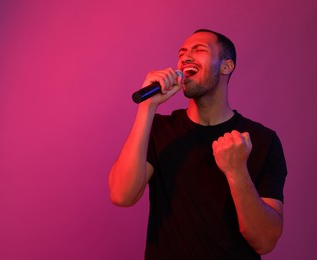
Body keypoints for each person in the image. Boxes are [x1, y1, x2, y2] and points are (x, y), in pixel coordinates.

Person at [109, 29, 287, 259]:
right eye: (181, 53)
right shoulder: (160, 130)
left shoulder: (261, 140)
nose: (185, 57)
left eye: (199, 50)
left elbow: (264, 241)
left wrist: (237, 172)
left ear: (226, 67)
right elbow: (122, 195)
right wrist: (148, 107)